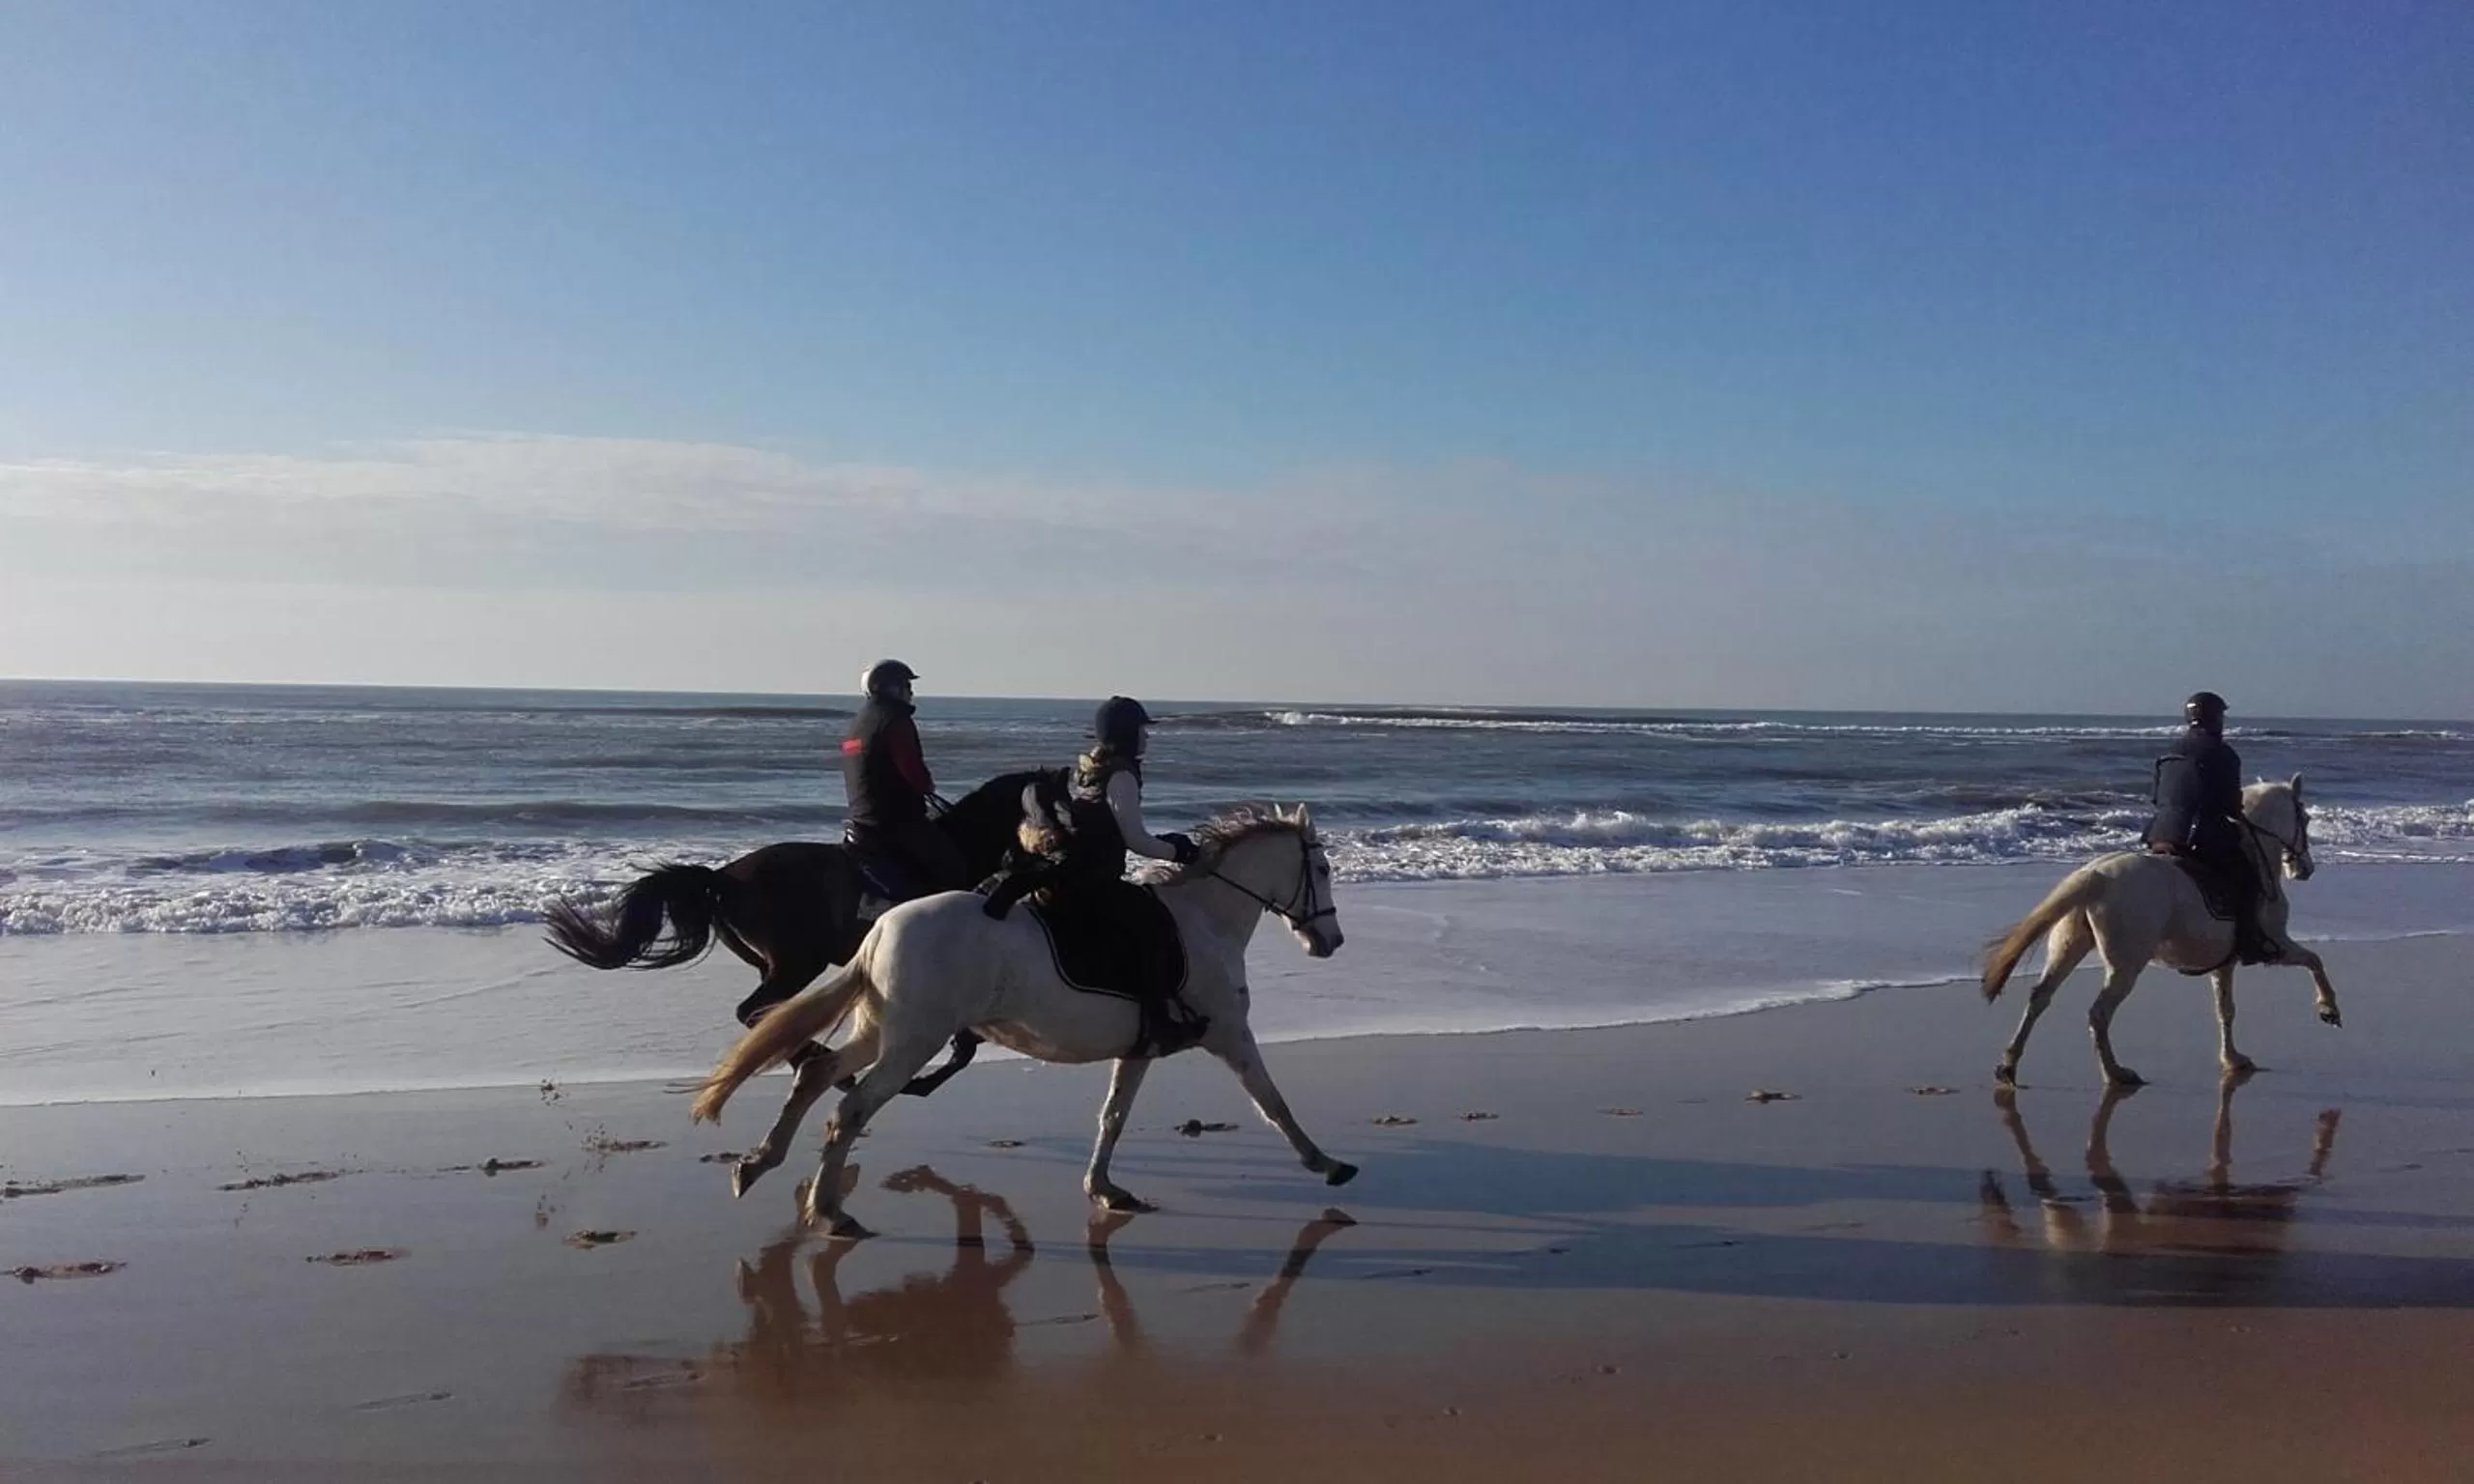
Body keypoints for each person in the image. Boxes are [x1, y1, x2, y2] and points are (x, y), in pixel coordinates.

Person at [2144, 690, 2279, 962]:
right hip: (2198, 837)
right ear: (2215, 719)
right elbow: (2230, 804)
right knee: (2248, 878)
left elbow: (2156, 797)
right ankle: (2248, 942)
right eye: (2221, 717)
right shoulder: (2223, 754)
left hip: (2159, 834)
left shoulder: (2167, 753)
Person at [840, 659, 967, 898]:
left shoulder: (856, 724)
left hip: (861, 817)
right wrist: (926, 785)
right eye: (906, 686)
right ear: (891, 688)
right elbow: (912, 770)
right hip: (894, 821)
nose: (911, 692)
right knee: (953, 866)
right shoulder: (894, 720)